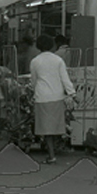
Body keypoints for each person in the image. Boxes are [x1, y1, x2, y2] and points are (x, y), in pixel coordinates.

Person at [28, 34, 75, 164]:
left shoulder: (35, 61)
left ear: (38, 46)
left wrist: (33, 91)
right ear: (52, 45)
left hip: (42, 96)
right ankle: (53, 151)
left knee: (46, 129)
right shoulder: (58, 60)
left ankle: (51, 154)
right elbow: (64, 78)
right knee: (56, 127)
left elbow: (34, 81)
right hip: (57, 96)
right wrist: (72, 93)